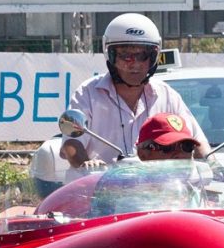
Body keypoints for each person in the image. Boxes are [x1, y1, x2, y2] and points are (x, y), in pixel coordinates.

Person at [59, 13, 208, 172]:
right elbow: (72, 144)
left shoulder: (167, 95)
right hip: (98, 190)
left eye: (143, 56)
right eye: (125, 56)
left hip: (155, 191)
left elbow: (197, 140)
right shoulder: (87, 93)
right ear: (110, 55)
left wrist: (213, 165)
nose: (134, 64)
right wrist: (86, 165)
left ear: (153, 58)